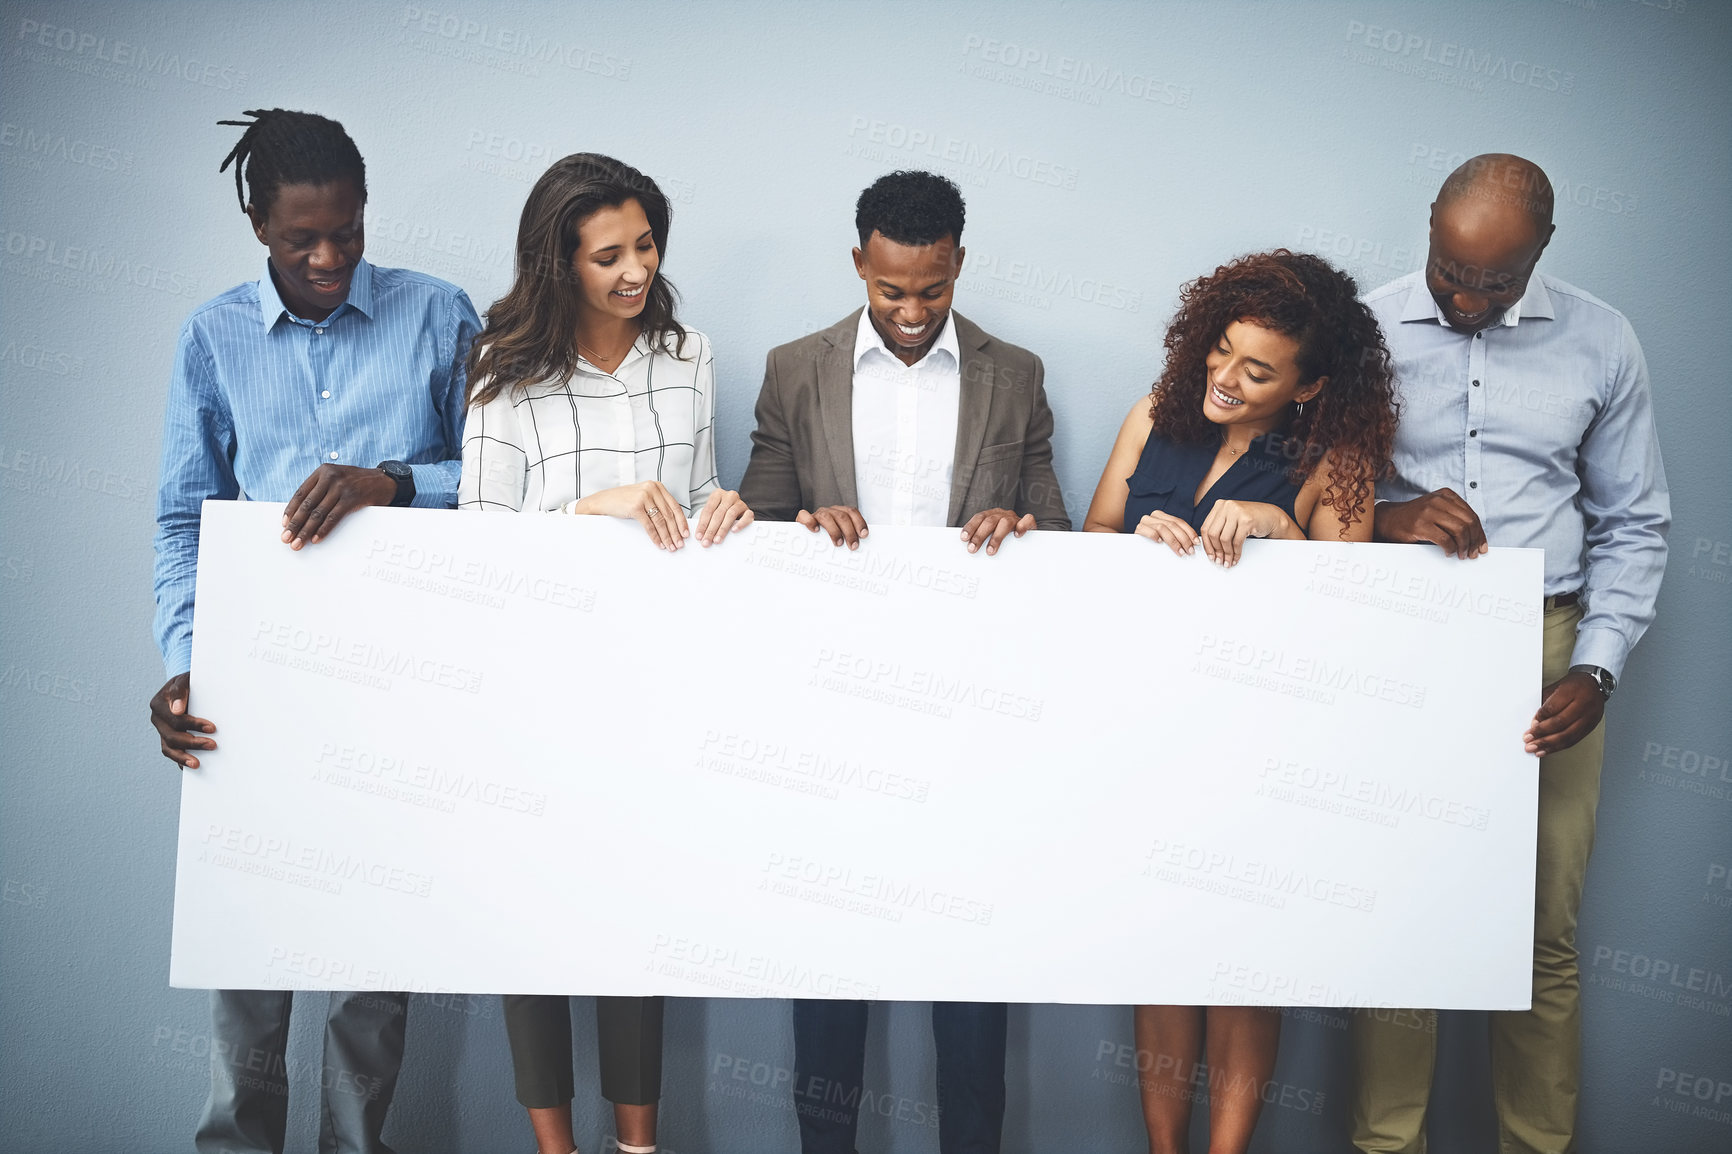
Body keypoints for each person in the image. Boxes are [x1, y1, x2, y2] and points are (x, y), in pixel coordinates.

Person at [148, 109, 481, 1154]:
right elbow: (180, 518)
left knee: (370, 969)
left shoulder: (440, 317)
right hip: (255, 690)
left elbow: (501, 486)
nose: (330, 256)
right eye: (303, 238)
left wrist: (393, 482)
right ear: (258, 225)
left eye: (346, 229)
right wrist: (182, 664)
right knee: (249, 963)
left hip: (400, 687)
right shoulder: (212, 337)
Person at [738, 169, 1069, 1154]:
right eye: (891, 290)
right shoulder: (794, 367)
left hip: (971, 723)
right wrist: (800, 523)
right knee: (831, 982)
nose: (912, 311)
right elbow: (751, 527)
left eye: (932, 289)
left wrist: (1022, 524)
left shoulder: (1017, 373)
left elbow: (1054, 530)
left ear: (959, 264)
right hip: (831, 719)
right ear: (858, 265)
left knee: (970, 985)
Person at [1351, 154, 1669, 1154]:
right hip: (1400, 641)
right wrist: (1387, 516)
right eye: (1448, 268)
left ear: (1542, 250)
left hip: (1549, 645)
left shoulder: (1603, 339)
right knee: (1403, 915)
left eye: (1492, 279)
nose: (1463, 295)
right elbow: (1301, 491)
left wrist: (1598, 665)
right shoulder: (1360, 328)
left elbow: (1635, 524)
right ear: (1430, 232)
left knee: (1540, 933)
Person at [458, 152, 749, 1154]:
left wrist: (729, 508)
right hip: (536, 687)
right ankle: (555, 1146)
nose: (636, 270)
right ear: (559, 263)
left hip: (653, 684)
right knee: (535, 923)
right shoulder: (504, 370)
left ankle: (637, 1143)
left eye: (646, 245)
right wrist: (592, 508)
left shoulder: (689, 354)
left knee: (636, 918)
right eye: (608, 255)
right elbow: (480, 535)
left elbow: (701, 494)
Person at [1081, 249, 1397, 1152]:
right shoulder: (1155, 414)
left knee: (1245, 962)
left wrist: (1280, 527)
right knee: (1162, 955)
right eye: (1221, 351)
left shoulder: (1336, 457)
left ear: (1309, 387)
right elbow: (1091, 540)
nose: (1224, 377)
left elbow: (1349, 618)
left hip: (1263, 742)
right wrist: (1135, 540)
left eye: (1257, 370)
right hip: (1146, 721)